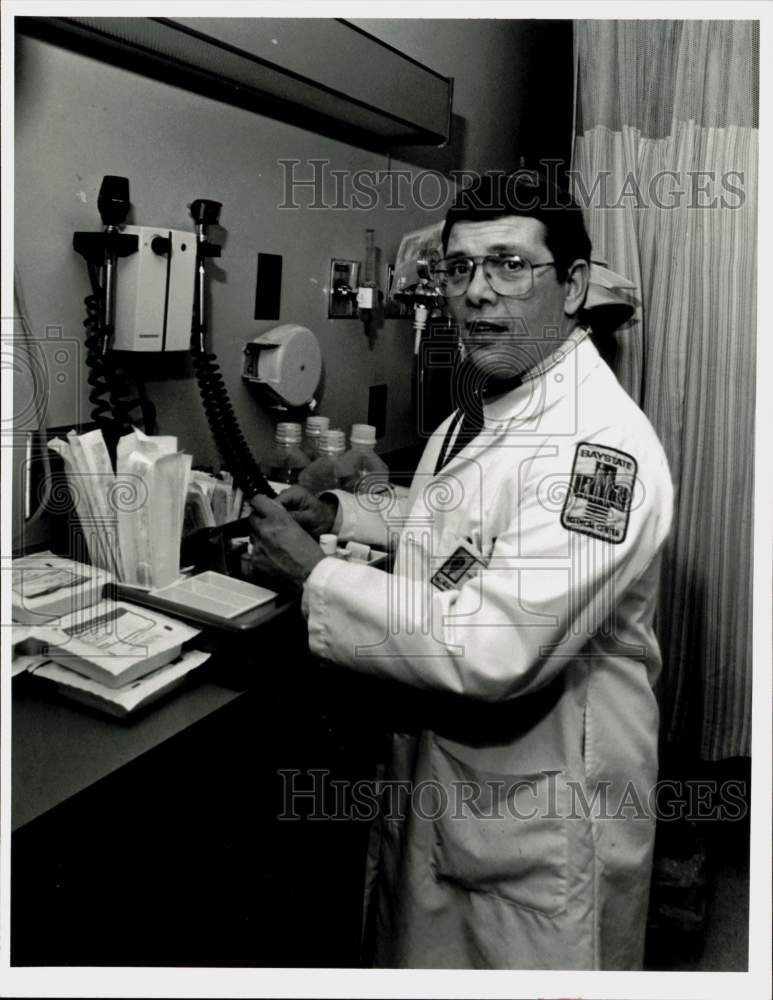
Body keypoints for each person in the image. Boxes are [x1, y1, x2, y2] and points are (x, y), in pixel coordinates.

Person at [248, 169, 674, 970]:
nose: (477, 292)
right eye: (459, 268)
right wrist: (345, 517)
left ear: (574, 285)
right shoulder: (490, 404)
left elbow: (496, 646)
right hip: (453, 779)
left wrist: (317, 576)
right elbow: (462, 526)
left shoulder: (598, 447)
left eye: (510, 264)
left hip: (539, 810)